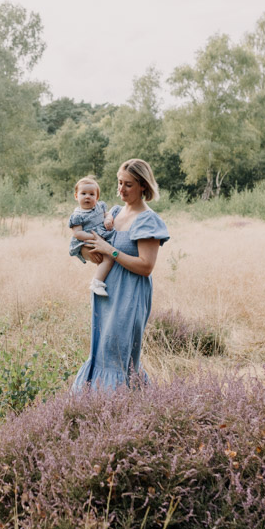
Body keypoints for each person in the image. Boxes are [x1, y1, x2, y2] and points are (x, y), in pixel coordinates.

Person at [72, 159, 169, 392]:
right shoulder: (114, 213)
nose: (121, 189)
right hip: (106, 291)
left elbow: (146, 266)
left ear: (143, 186)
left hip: (130, 294)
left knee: (118, 353)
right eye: (119, 183)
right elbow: (88, 242)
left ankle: (120, 407)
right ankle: (95, 408)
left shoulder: (148, 220)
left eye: (128, 185)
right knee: (101, 350)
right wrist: (86, 249)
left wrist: (111, 251)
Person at [68, 177, 115, 296]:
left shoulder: (99, 207)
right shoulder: (77, 215)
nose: (87, 196)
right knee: (107, 258)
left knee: (105, 259)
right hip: (87, 241)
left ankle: (103, 279)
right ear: (76, 196)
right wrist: (94, 238)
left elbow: (107, 214)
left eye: (91, 194)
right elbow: (77, 233)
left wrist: (108, 219)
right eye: (83, 193)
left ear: (97, 198)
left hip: (101, 237)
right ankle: (97, 282)